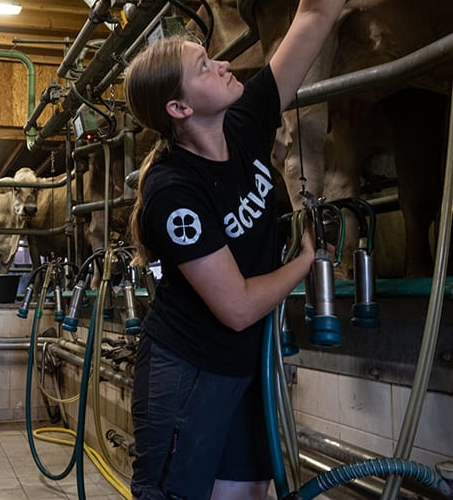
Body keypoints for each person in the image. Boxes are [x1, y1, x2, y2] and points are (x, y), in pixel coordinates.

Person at [125, 0, 347, 498]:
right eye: (204, 66)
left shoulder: (244, 123)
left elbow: (314, 17)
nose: (224, 63)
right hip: (186, 374)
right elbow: (239, 306)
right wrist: (307, 260)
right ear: (179, 109)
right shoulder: (172, 189)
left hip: (244, 365)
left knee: (249, 493)